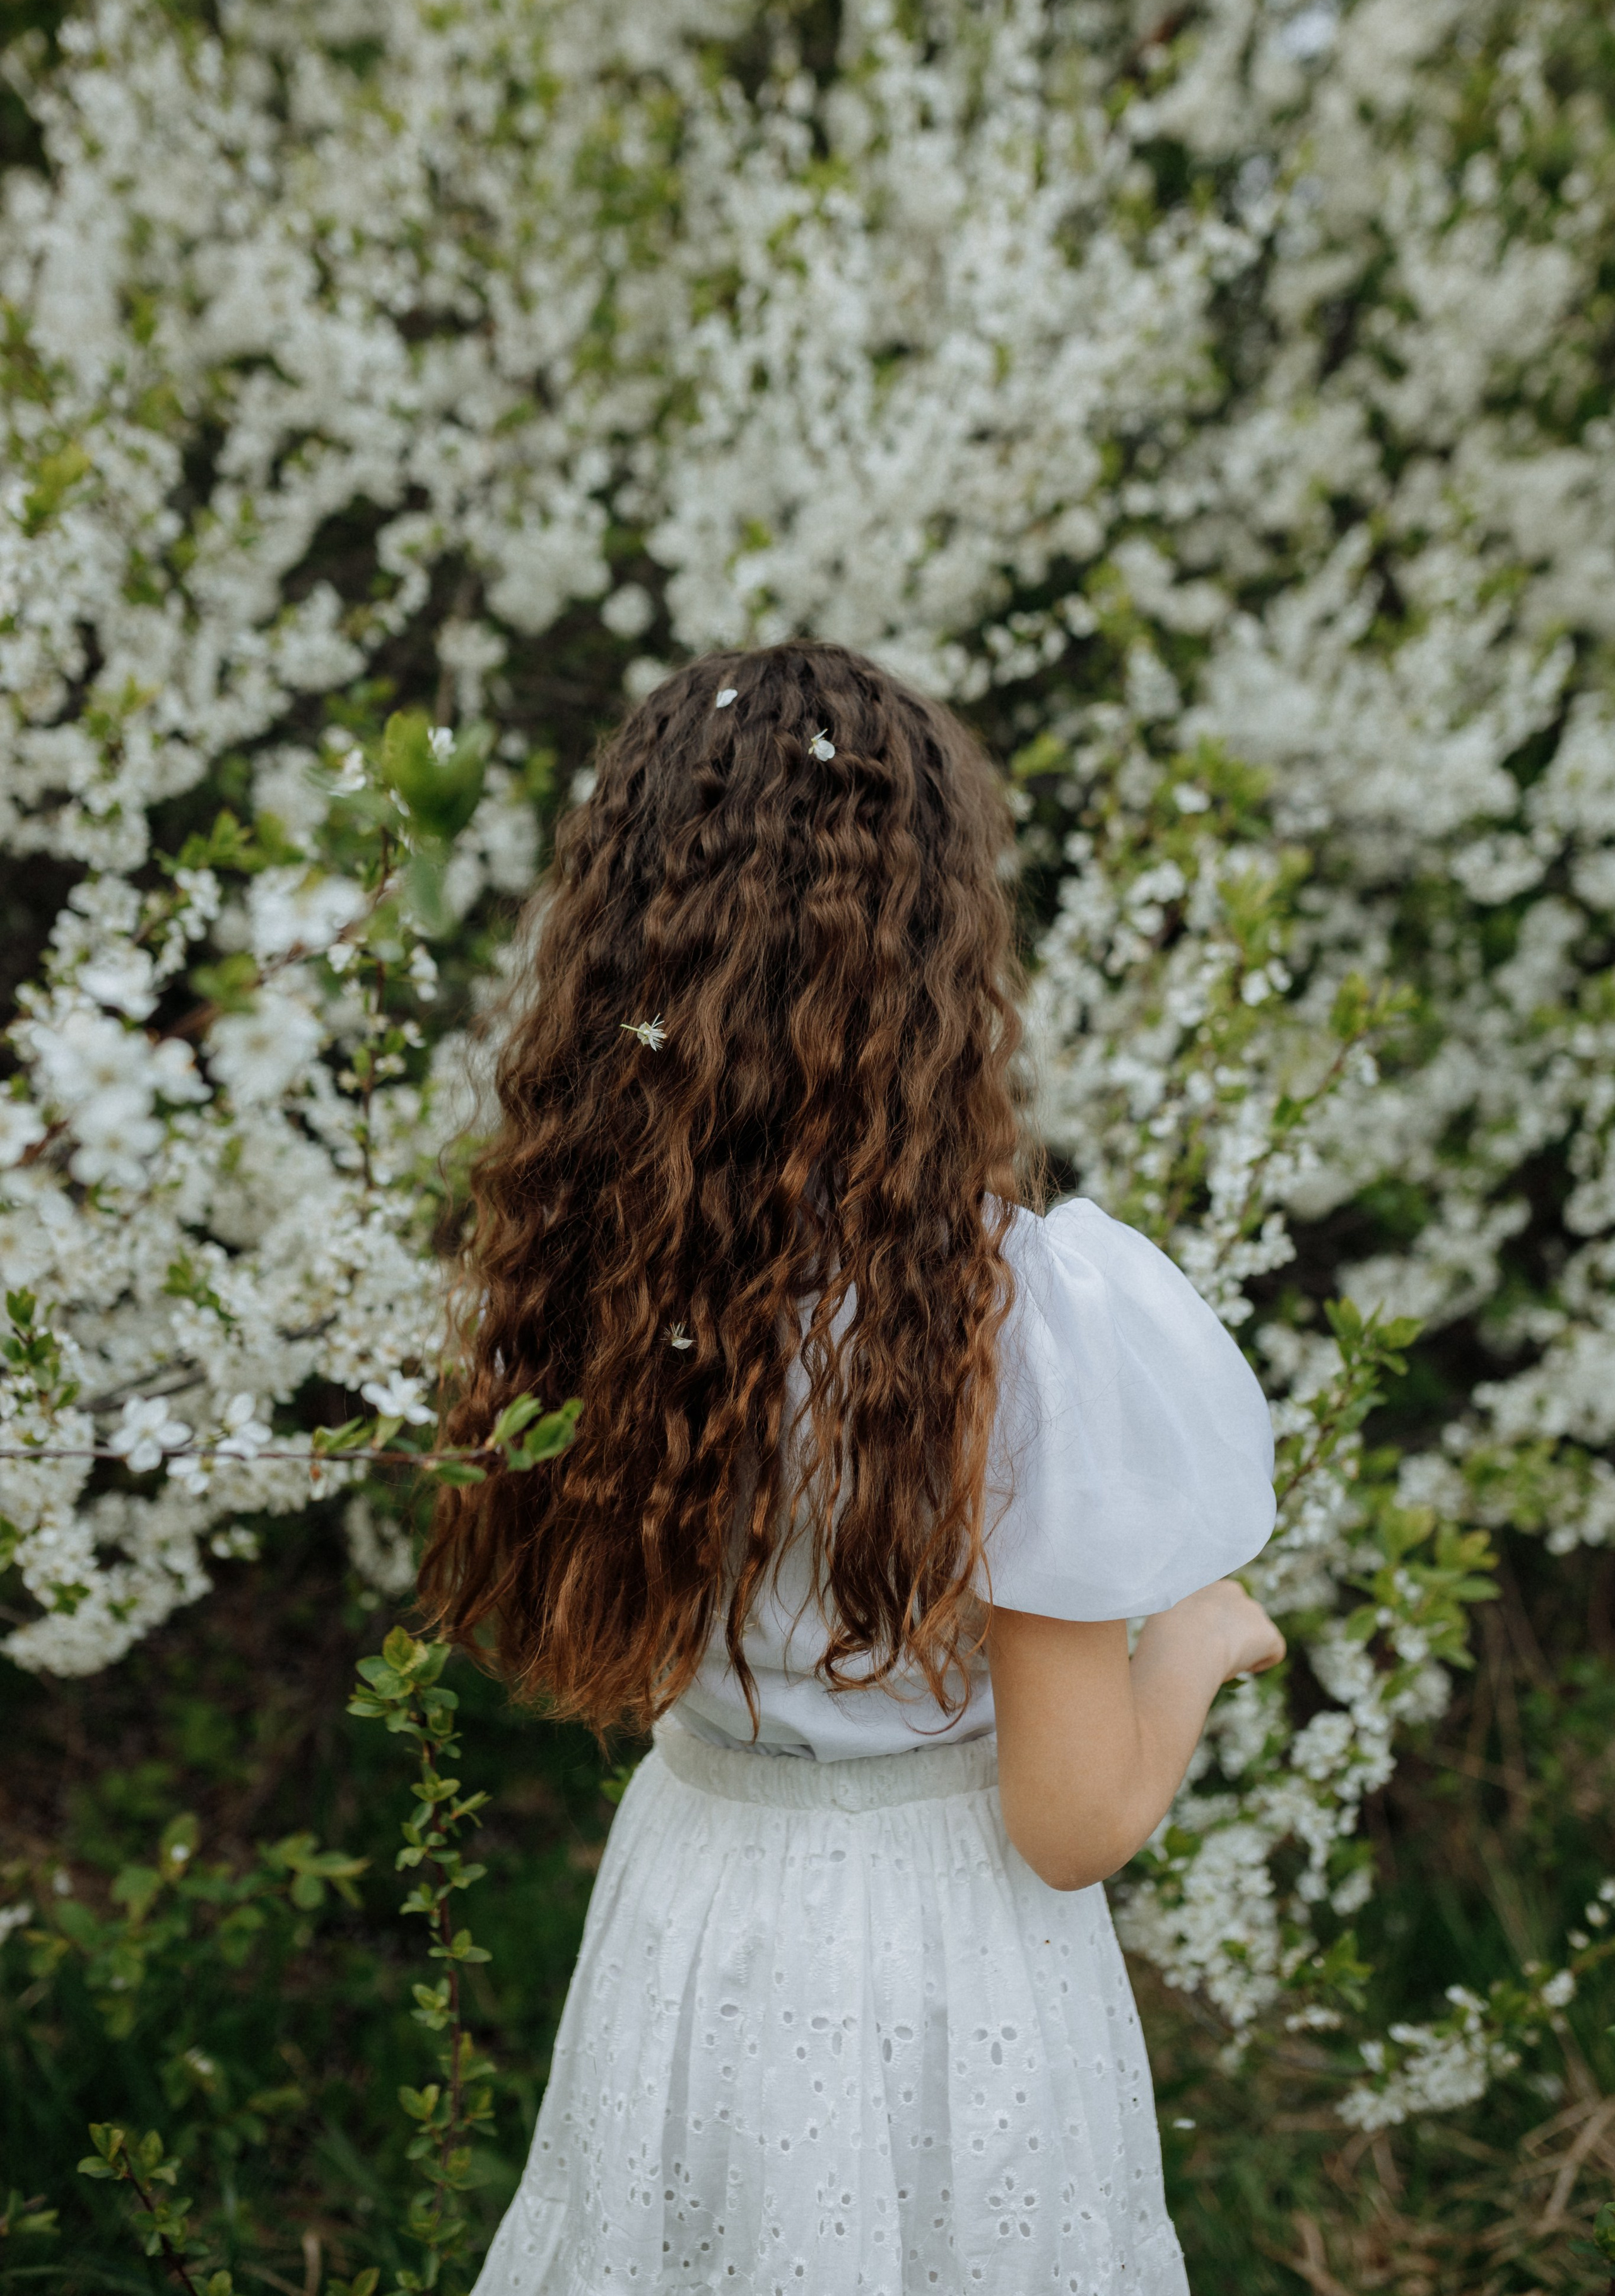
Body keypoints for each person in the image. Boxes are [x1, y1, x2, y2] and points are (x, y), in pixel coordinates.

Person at [421, 640, 1285, 2295]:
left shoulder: (600, 1270)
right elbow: (1072, 1819)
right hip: (954, 1973)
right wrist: (1187, 1646)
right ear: (938, 949)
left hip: (699, 1918)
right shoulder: (1010, 1315)